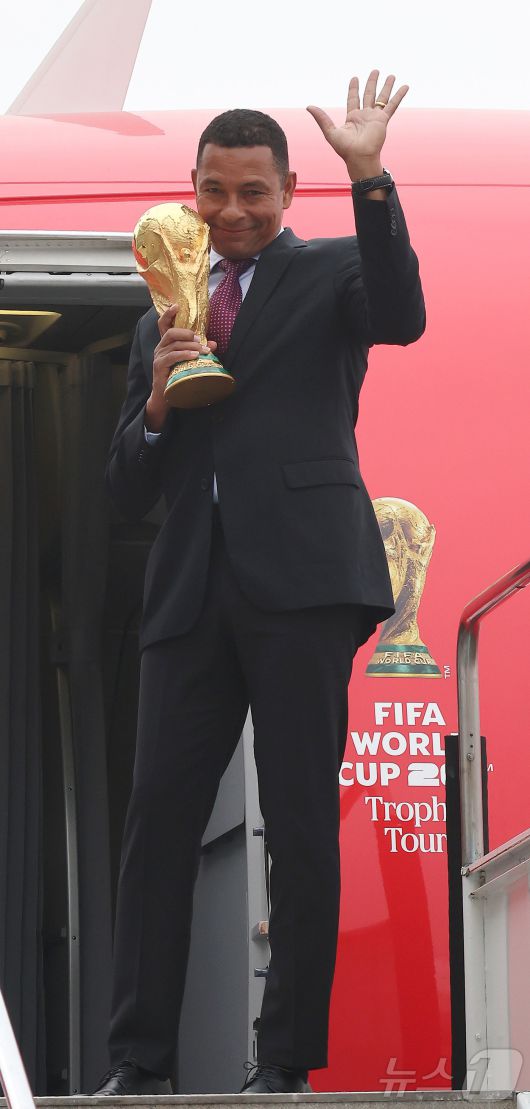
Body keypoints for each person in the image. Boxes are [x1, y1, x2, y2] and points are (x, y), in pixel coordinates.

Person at [96, 71, 425, 1097]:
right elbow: (126, 487)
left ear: (288, 190)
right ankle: (138, 1060)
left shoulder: (331, 272)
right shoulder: (163, 311)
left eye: (253, 192)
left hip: (304, 587)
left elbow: (403, 314)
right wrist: (157, 403)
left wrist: (369, 178)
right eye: (214, 191)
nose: (232, 210)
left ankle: (282, 1060)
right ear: (190, 188)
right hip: (190, 593)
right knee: (157, 822)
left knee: (298, 819)